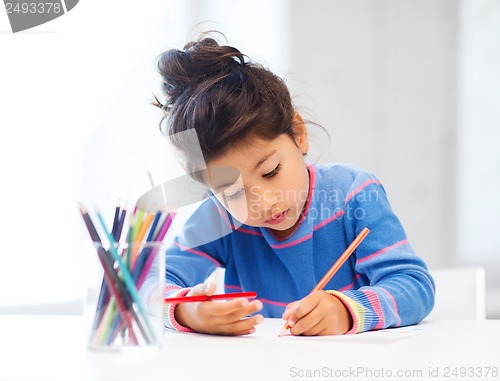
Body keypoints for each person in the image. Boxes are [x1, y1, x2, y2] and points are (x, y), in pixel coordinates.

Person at [151, 34, 435, 336]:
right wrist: (185, 309)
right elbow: (145, 283)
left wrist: (346, 310)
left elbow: (414, 286)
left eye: (271, 171)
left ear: (298, 134)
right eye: (232, 192)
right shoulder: (221, 218)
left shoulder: (353, 194)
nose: (262, 202)